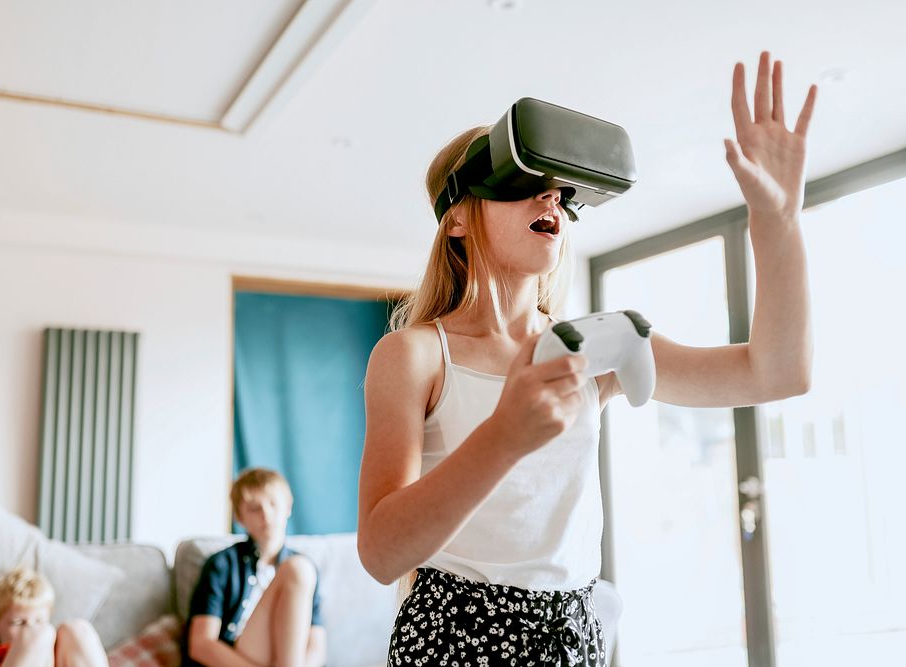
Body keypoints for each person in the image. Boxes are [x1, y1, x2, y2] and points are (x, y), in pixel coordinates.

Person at [357, 51, 817, 666]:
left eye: (558, 189)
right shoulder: (414, 357)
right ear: (458, 218)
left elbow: (776, 373)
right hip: (453, 637)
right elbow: (381, 553)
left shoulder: (594, 346)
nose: (550, 199)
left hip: (572, 637)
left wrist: (778, 221)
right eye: (525, 183)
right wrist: (504, 436)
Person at [184, 468, 326, 667]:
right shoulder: (222, 564)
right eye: (254, 508)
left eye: (273, 504)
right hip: (239, 660)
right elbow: (201, 644)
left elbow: (316, 646)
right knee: (297, 569)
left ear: (288, 508)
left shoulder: (305, 569)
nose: (266, 515)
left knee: (301, 569)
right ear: (240, 518)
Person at [0, 567, 108, 667]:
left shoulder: (61, 653)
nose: (30, 628)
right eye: (19, 623)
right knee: (40, 635)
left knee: (77, 629)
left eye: (39, 621)